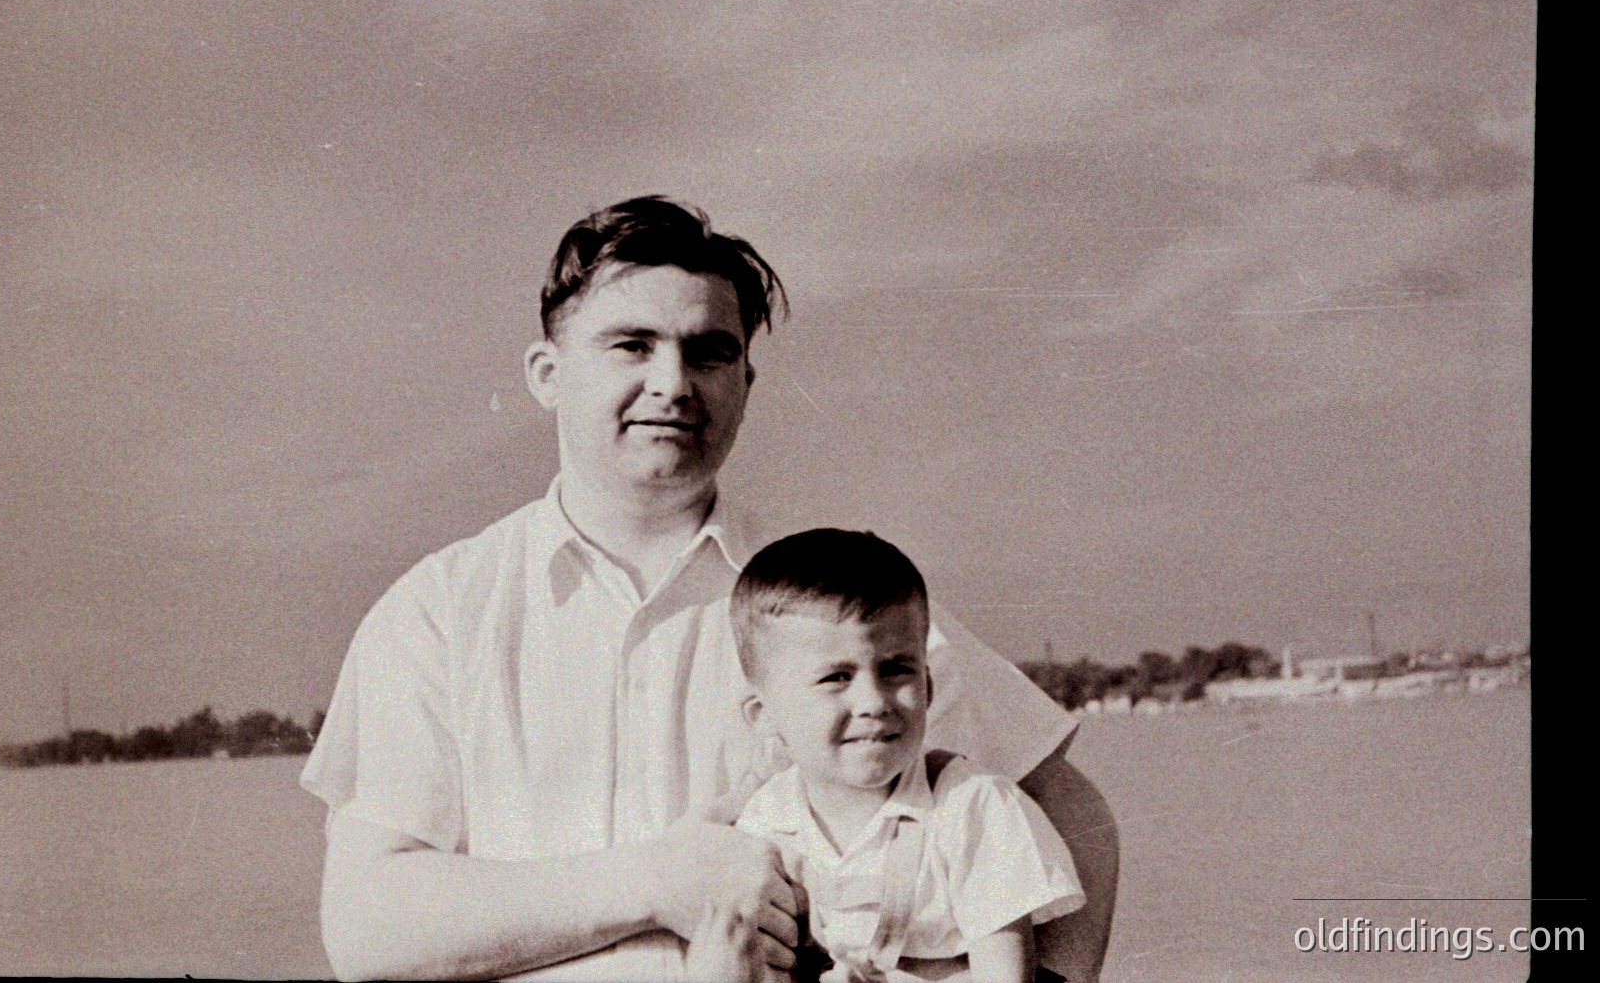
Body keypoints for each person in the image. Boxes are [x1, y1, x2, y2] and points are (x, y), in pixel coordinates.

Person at [300, 196, 1118, 982]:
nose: (674, 382)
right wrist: (656, 883)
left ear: (746, 382)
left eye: (709, 351)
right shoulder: (440, 610)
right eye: (631, 345)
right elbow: (368, 924)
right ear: (547, 373)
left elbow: (1076, 821)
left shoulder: (827, 592)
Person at [728, 529, 1085, 983]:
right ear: (764, 715)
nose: (874, 701)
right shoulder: (768, 820)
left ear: (929, 687)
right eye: (836, 677)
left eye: (896, 669)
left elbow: (1006, 970)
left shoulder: (971, 807)